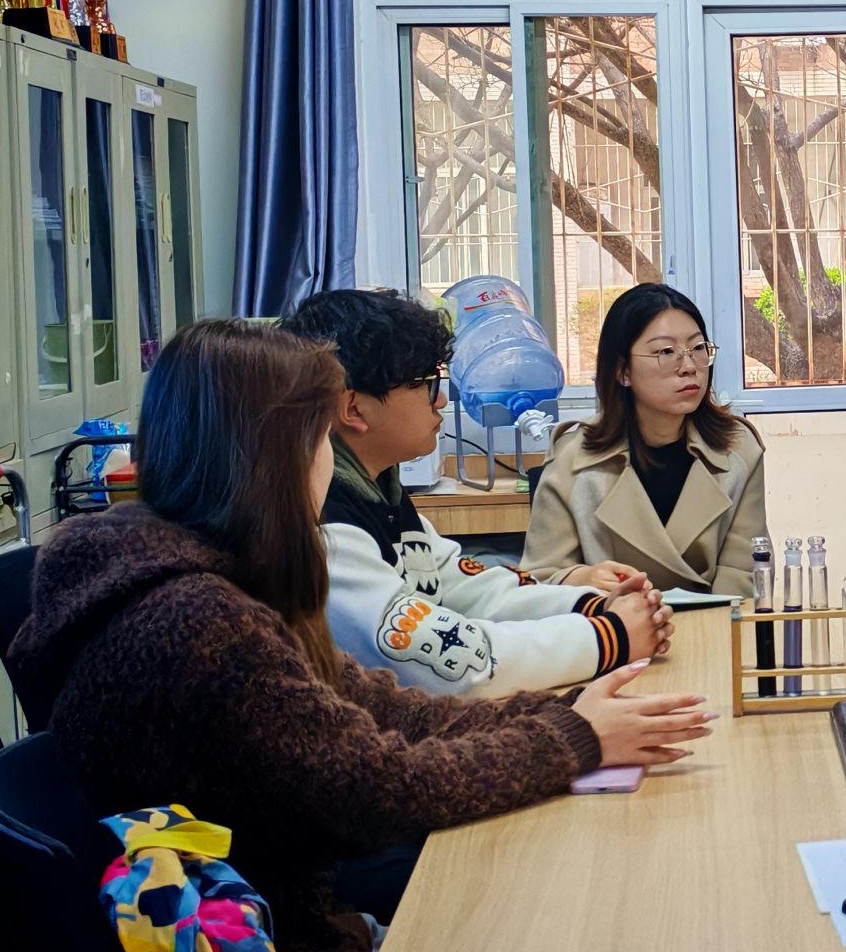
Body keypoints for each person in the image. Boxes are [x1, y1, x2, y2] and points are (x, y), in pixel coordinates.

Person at [9, 321, 713, 952]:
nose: (330, 455)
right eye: (320, 437)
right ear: (273, 454)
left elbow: (379, 707)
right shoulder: (199, 620)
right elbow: (381, 786)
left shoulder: (211, 571)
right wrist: (573, 739)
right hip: (286, 926)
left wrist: (567, 715)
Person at [284, 288, 670, 697]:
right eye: (425, 384)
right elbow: (451, 667)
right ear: (353, 409)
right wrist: (610, 637)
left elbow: (469, 590)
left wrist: (592, 606)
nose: (440, 400)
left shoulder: (379, 492)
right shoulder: (322, 526)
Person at [521, 283, 769, 595]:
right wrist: (583, 579)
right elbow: (538, 580)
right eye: (666, 352)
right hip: (609, 623)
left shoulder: (737, 451)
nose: (689, 367)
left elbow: (744, 574)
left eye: (698, 349)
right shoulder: (572, 460)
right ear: (622, 371)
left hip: (711, 621)